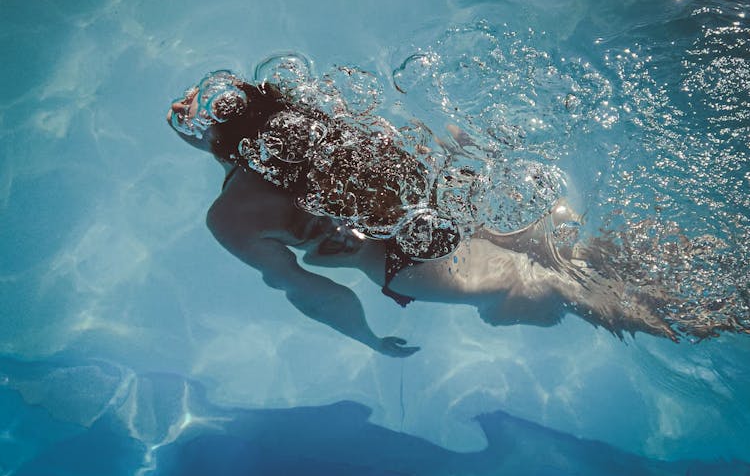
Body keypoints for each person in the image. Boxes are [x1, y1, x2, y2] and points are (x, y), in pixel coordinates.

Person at [166, 69, 683, 356]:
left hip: (408, 264)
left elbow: (318, 295)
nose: (180, 105)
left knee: (544, 289)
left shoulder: (232, 217)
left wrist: (368, 339)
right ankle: (701, 269)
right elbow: (432, 130)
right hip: (456, 196)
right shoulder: (323, 108)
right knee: (575, 253)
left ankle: (715, 321)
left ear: (216, 141)